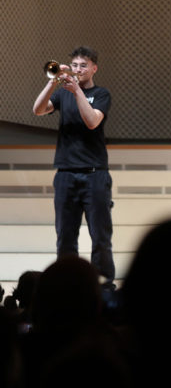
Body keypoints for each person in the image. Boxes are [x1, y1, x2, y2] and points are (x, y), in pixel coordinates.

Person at [32, 46, 115, 286]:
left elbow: (92, 122)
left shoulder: (101, 94)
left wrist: (77, 89)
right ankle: (66, 285)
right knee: (65, 236)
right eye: (75, 65)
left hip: (95, 174)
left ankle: (105, 284)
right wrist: (53, 82)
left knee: (100, 236)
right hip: (66, 174)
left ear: (94, 68)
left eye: (83, 66)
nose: (78, 70)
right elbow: (37, 110)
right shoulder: (62, 93)